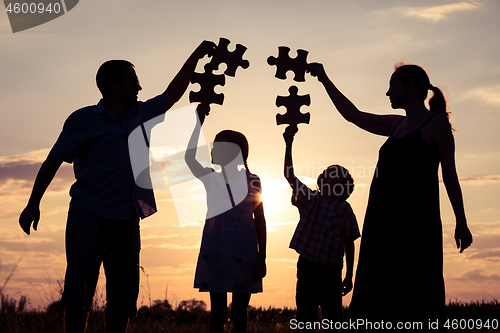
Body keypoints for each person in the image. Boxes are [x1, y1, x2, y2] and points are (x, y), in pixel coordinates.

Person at [18, 40, 217, 333]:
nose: (139, 87)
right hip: (88, 217)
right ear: (113, 84)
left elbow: (173, 93)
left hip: (126, 219)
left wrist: (196, 56)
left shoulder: (142, 115)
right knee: (79, 293)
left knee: (123, 298)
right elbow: (53, 161)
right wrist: (33, 203)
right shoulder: (84, 120)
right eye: (133, 81)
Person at [307, 62, 473, 329]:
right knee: (377, 289)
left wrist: (461, 221)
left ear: (409, 86)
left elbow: (450, 176)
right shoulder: (396, 124)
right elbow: (353, 114)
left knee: (413, 290)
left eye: (392, 85)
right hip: (382, 224)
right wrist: (324, 79)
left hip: (416, 225)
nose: (388, 93)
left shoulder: (436, 123)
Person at [184, 105, 267, 333]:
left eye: (217, 145)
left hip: (245, 253)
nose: (212, 149)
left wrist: (262, 257)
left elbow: (260, 220)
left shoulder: (253, 181)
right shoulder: (211, 178)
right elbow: (189, 158)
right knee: (218, 312)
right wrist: (197, 124)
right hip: (216, 251)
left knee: (239, 313)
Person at [283, 125, 360, 332]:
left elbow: (349, 243)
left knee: (333, 320)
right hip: (307, 268)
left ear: (340, 186)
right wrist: (288, 144)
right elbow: (289, 175)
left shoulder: (344, 209)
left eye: (331, 173)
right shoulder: (310, 199)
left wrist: (349, 275)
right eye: (326, 171)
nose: (325, 173)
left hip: (331, 273)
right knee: (306, 319)